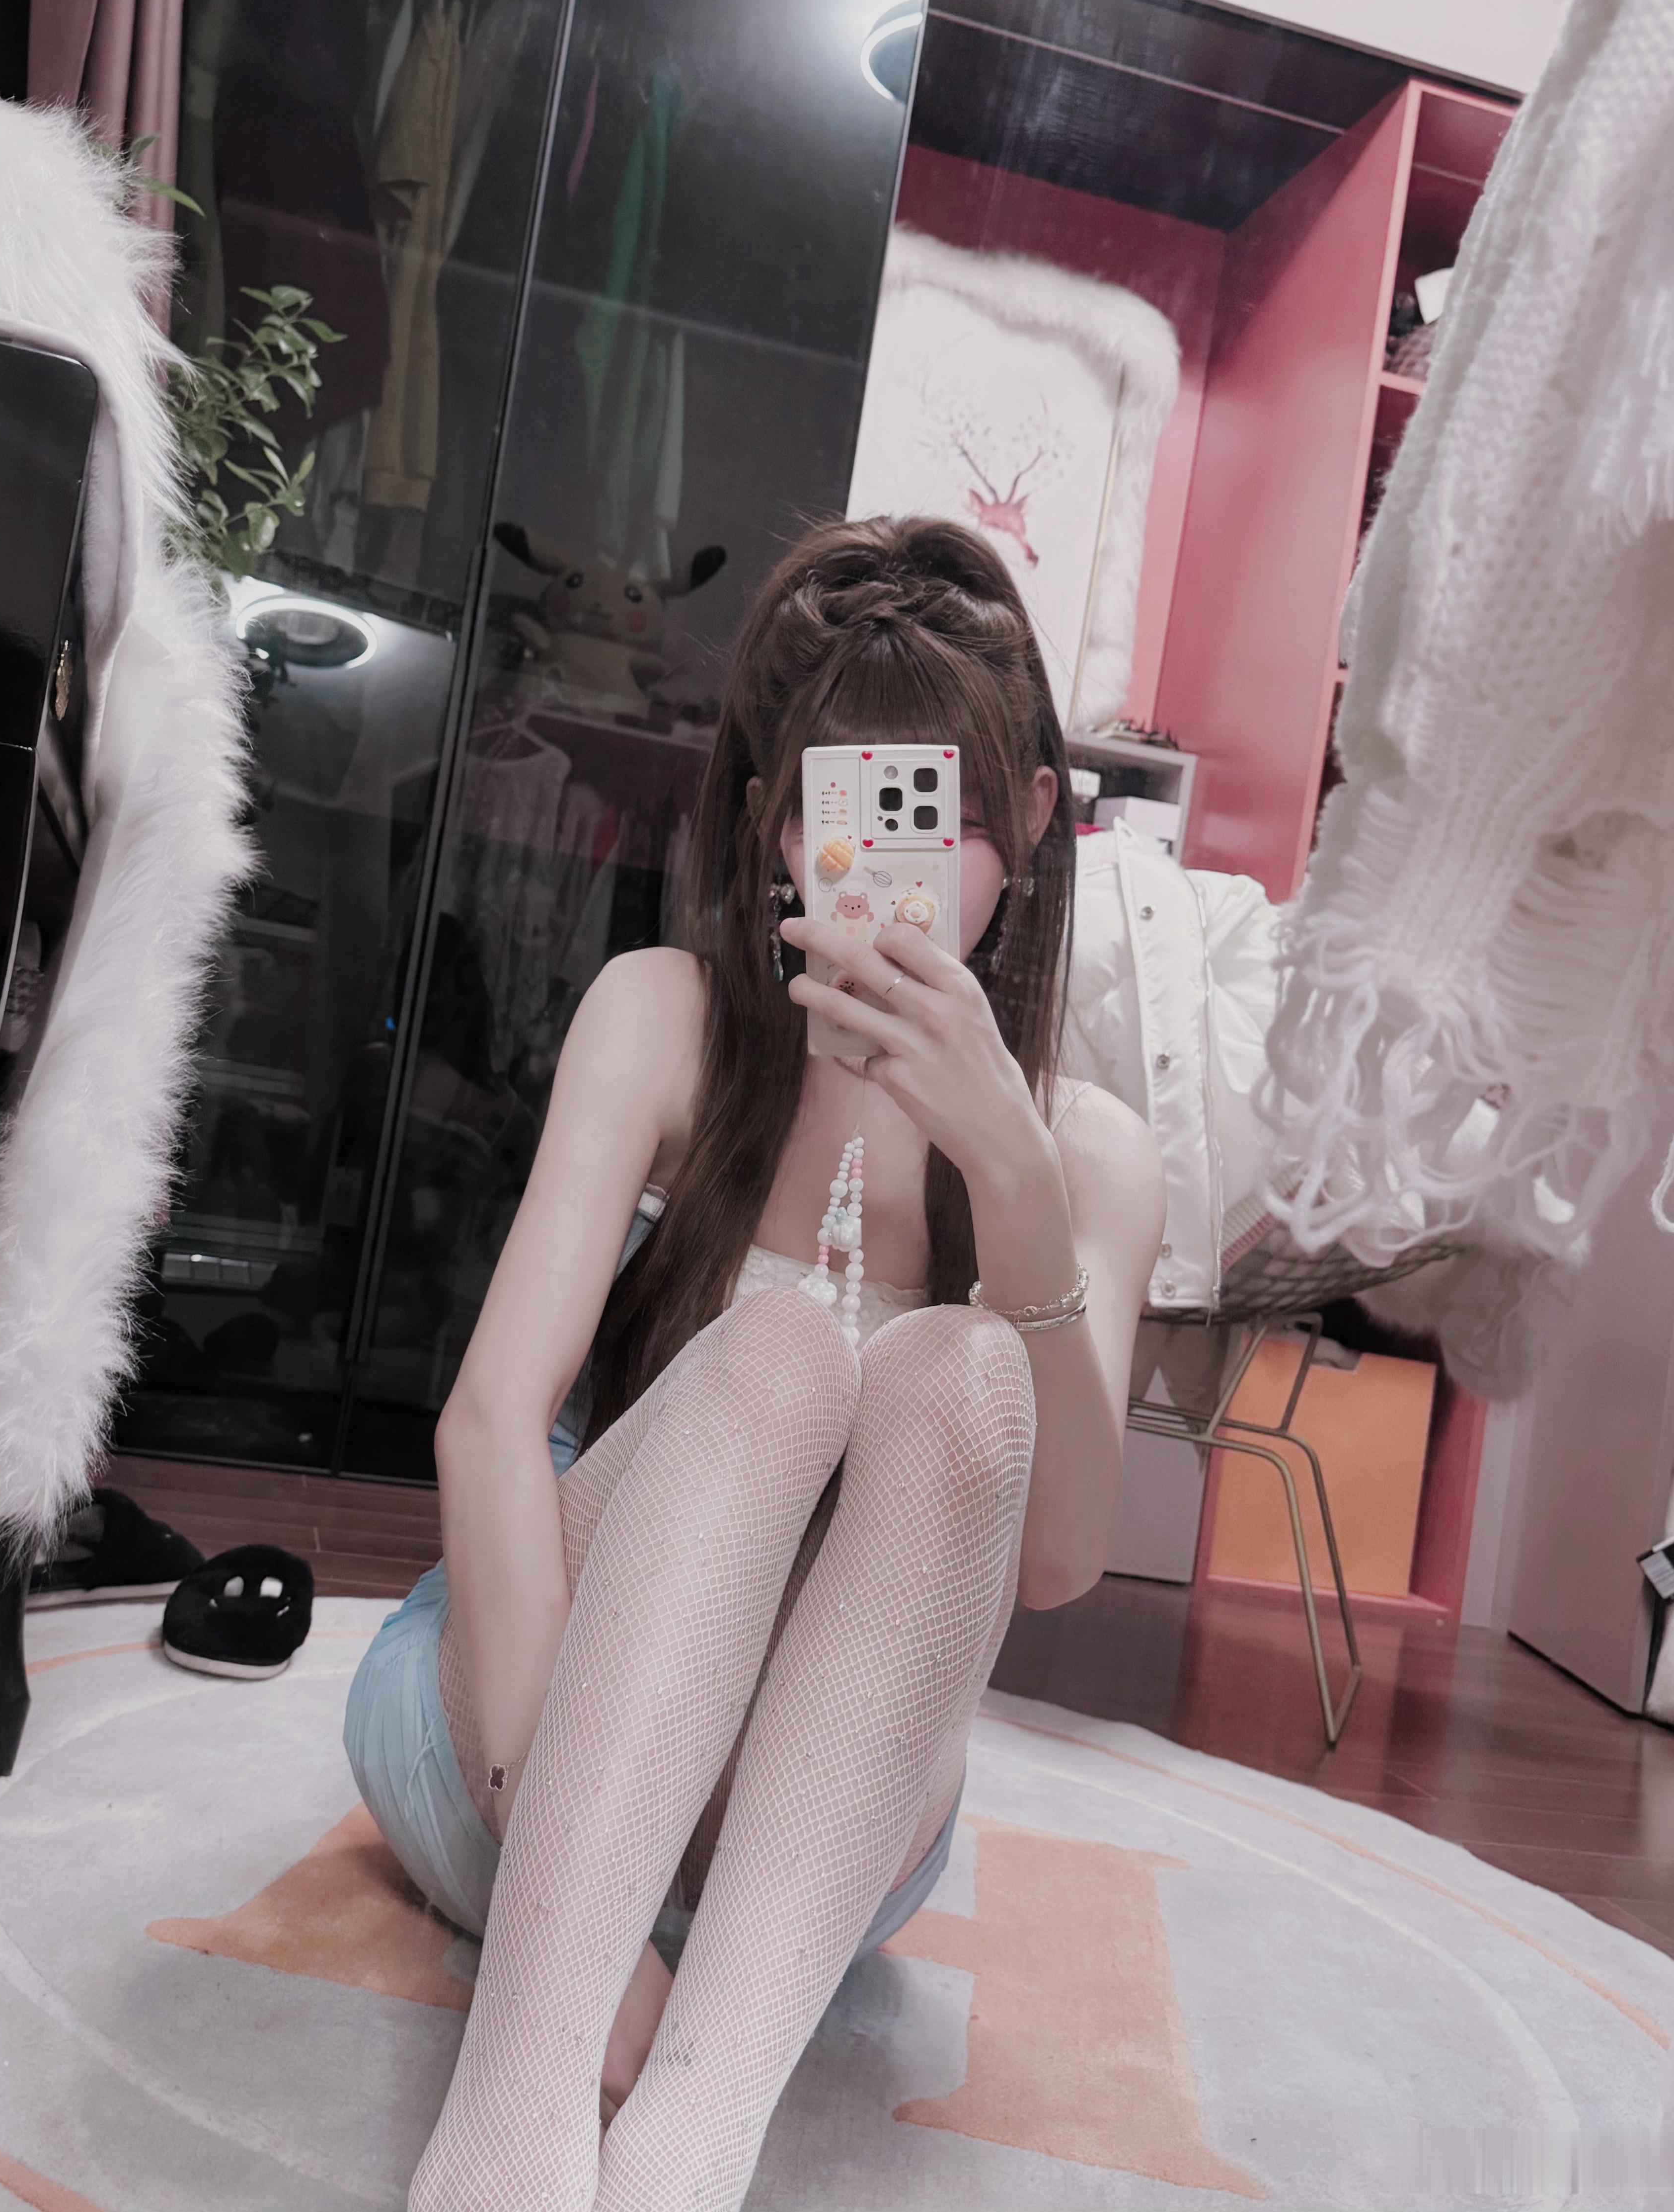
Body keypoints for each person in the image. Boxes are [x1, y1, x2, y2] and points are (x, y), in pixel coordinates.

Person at [344, 515, 1166, 2211]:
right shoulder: (665, 1016)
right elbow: (491, 1426)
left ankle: (689, 2146)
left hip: (808, 1831)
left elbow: (1060, 1561)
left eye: (941, 811)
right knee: (783, 1356)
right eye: (847, 805)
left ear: (1030, 817)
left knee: (959, 1376)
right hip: (525, 1712)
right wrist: (547, 1871)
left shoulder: (1086, 1156)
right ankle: (508, 2121)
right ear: (780, 825)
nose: (891, 863)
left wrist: (1010, 1180)